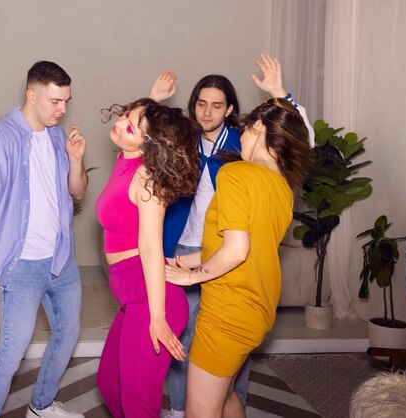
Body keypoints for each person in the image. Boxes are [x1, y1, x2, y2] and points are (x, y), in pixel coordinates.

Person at [149, 54, 314, 418]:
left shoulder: (237, 174)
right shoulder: (283, 186)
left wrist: (193, 275)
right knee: (227, 398)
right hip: (258, 311)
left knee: (201, 411)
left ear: (255, 130)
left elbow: (236, 250)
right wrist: (182, 261)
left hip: (227, 312)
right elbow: (237, 245)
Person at [0, 61, 89, 418]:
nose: (62, 109)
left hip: (61, 260)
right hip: (22, 266)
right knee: (12, 351)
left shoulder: (58, 136)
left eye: (66, 101)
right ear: (32, 95)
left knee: (68, 333)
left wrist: (76, 162)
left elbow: (76, 193)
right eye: (55, 101)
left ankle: (41, 405)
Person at [95, 98, 201, 417]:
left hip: (153, 302)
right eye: (127, 115)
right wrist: (149, 102)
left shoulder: (146, 179)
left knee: (138, 403)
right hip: (132, 298)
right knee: (109, 386)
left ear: (149, 145)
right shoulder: (125, 159)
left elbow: (152, 247)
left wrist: (158, 318)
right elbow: (145, 122)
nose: (121, 121)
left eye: (130, 125)